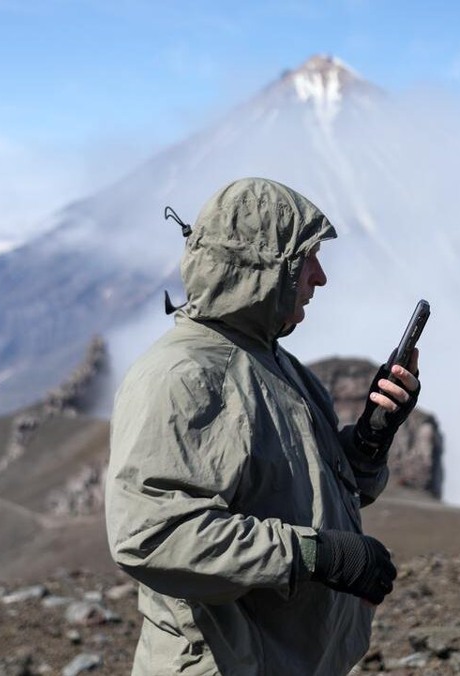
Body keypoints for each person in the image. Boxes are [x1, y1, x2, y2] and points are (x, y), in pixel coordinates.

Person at [105, 177, 422, 675]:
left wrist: (370, 439)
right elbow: (155, 535)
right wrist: (318, 556)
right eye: (307, 259)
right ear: (262, 269)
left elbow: (306, 488)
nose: (320, 278)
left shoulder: (273, 363)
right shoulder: (184, 377)